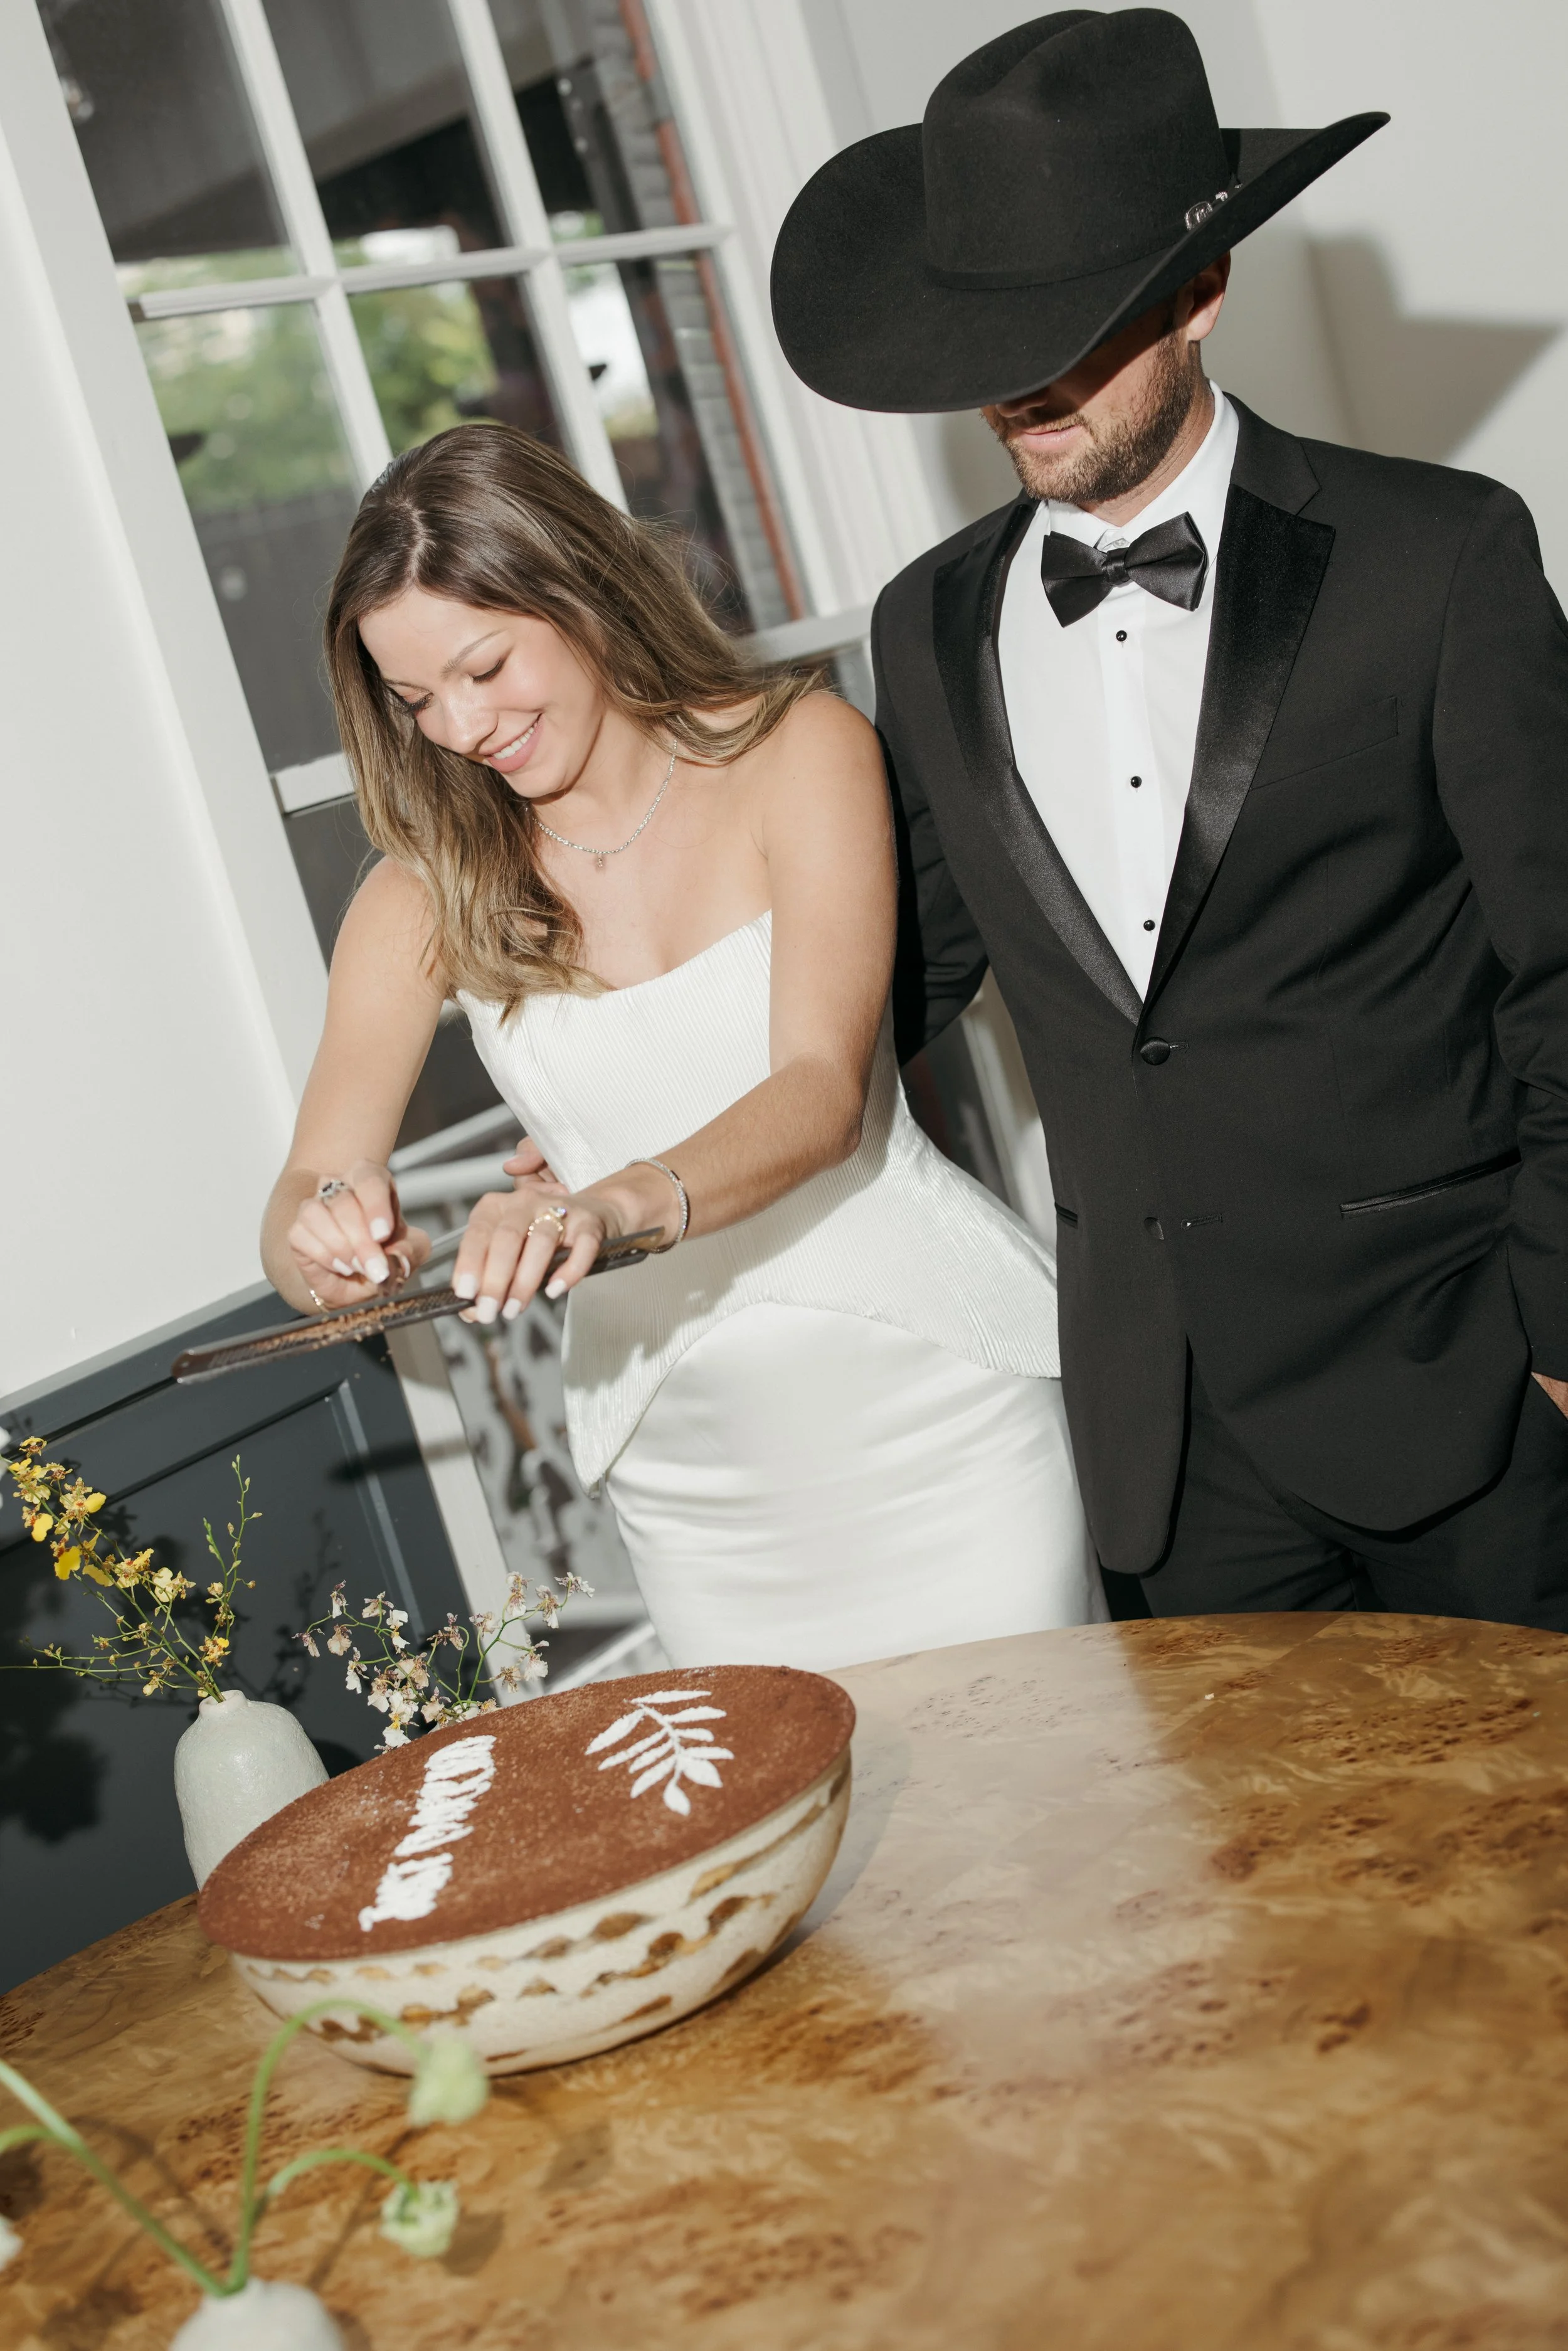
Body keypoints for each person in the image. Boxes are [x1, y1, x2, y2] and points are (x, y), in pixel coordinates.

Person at [770, 7, 1568, 1630]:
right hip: (1164, 1453)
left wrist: (1556, 1340)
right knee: (1266, 1888)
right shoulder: (922, 627)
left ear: (1200, 294)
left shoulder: (1442, 559)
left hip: (1464, 1391)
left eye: (1070, 325)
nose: (1013, 386)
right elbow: (898, 976)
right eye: (981, 335)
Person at [260, 423, 1099, 1671]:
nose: (462, 726)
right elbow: (300, 1194)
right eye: (418, 698)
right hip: (697, 1484)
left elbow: (818, 1096)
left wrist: (604, 1206)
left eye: (485, 666)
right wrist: (327, 1239)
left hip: (939, 1413)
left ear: (579, 589)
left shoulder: (798, 753)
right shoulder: (417, 895)